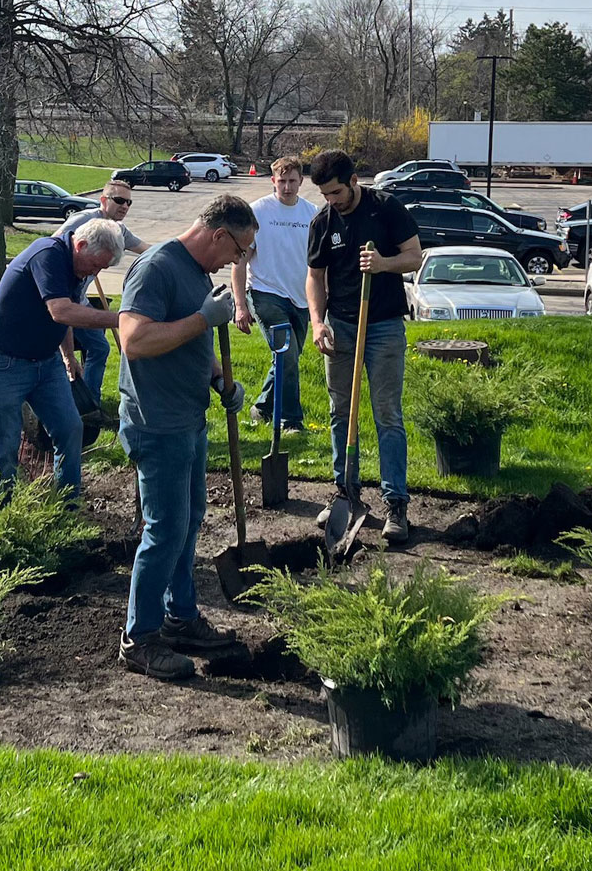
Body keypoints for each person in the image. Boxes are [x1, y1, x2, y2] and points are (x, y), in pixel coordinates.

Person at [116, 195, 258, 680]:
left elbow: (190, 342)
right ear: (219, 235)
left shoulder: (197, 272)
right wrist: (204, 320)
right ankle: (139, 639)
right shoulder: (156, 267)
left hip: (188, 419)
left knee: (188, 521)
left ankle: (180, 618)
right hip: (156, 423)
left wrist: (221, 378)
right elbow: (134, 341)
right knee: (164, 530)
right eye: (238, 251)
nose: (237, 262)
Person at [306, 149, 424, 545]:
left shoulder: (386, 208)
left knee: (387, 414)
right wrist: (317, 322)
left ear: (354, 180)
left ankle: (396, 502)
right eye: (325, 194)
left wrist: (382, 264)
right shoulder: (323, 221)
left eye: (336, 192)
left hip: (384, 326)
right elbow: (314, 276)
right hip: (340, 326)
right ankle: (346, 491)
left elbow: (415, 257)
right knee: (341, 411)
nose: (332, 201)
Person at [0, 219, 125, 500]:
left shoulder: (75, 268)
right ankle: (6, 516)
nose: (95, 272)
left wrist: (68, 358)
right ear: (80, 246)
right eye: (96, 265)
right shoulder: (47, 255)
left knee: (70, 429)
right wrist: (121, 319)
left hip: (46, 363)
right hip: (2, 362)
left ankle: (66, 509)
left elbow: (60, 320)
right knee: (7, 443)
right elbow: (61, 311)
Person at [228, 156, 317, 431]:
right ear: (273, 181)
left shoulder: (312, 214)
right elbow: (240, 261)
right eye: (282, 181)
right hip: (265, 293)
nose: (287, 187)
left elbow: (319, 264)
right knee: (287, 353)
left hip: (301, 298)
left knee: (286, 358)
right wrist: (240, 305)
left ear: (302, 181)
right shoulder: (258, 213)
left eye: (292, 181)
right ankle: (291, 420)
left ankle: (263, 406)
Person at [53, 178, 149, 405]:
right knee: (57, 352)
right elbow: (54, 246)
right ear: (103, 200)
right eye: (119, 200)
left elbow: (147, 250)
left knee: (98, 347)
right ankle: (64, 397)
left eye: (128, 202)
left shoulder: (119, 231)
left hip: (80, 300)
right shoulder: (83, 220)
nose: (124, 206)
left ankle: (90, 402)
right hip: (60, 298)